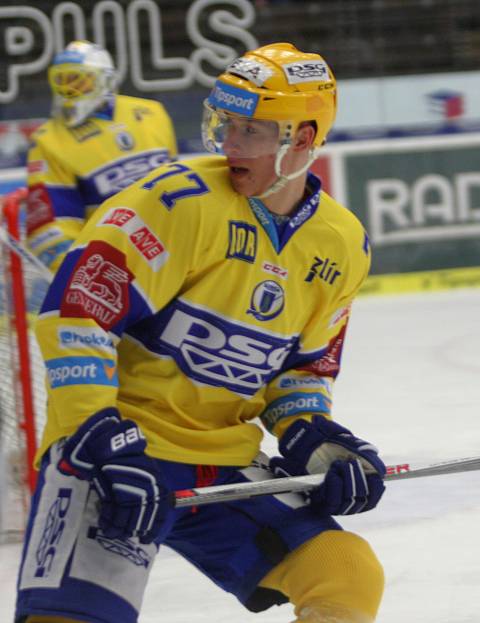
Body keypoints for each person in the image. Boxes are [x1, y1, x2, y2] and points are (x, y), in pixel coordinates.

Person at [15, 42, 385, 623]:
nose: (231, 144)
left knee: (345, 571)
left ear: (306, 140)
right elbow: (76, 313)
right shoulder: (173, 199)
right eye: (225, 123)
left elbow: (302, 368)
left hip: (219, 460)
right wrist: (93, 429)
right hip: (114, 449)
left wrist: (312, 434)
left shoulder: (342, 244)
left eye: (254, 130)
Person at [25, 40, 177, 272]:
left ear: (105, 80)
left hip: (177, 249)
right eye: (61, 80)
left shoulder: (152, 113)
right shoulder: (48, 142)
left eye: (79, 79)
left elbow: (178, 185)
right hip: (112, 263)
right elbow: (50, 230)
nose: (69, 89)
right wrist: (88, 276)